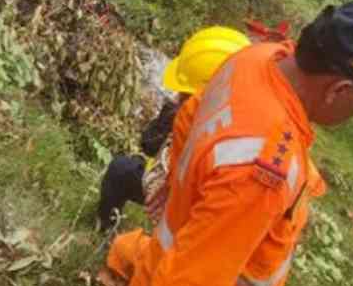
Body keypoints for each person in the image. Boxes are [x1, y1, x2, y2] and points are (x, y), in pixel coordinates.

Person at [102, 2, 353, 286]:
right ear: (341, 90)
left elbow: (188, 119)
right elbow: (187, 284)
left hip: (172, 252)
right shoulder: (264, 172)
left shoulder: (257, 58)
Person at [97, 27, 252, 231]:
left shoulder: (194, 123)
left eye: (183, 93)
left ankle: (105, 228)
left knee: (120, 170)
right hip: (219, 217)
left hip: (191, 209)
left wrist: (171, 114)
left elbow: (149, 144)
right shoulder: (248, 122)